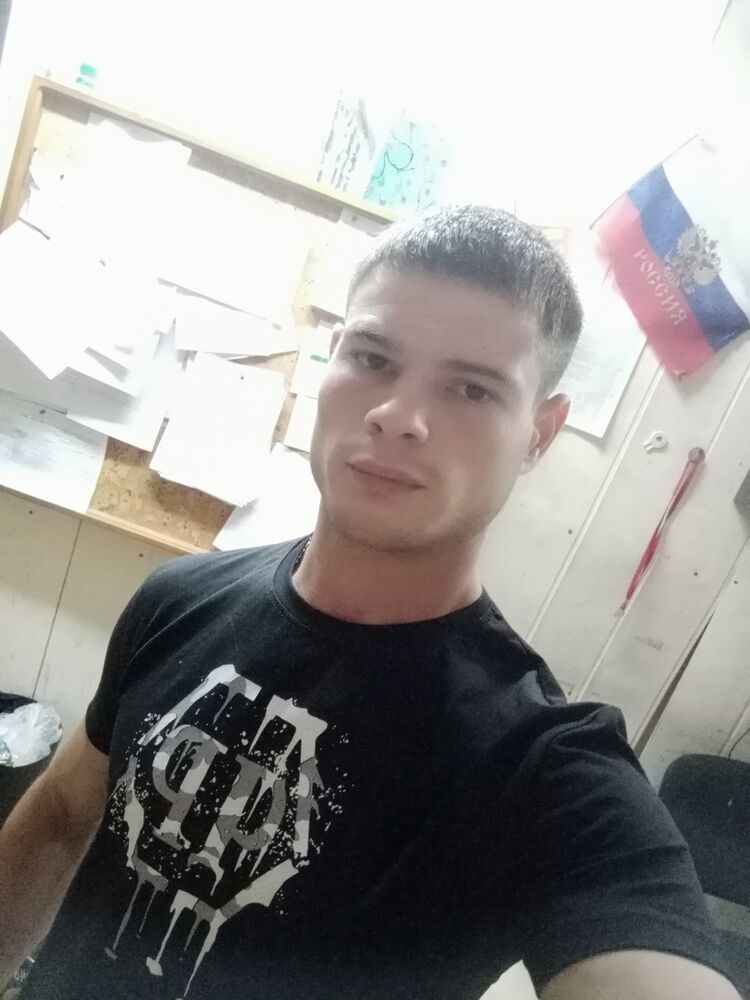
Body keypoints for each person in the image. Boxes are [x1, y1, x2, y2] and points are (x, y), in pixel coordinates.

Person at [0, 206, 740, 1000]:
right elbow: (62, 814)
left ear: (540, 432)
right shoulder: (176, 599)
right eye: (372, 357)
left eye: (471, 388)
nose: (398, 416)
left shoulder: (542, 765)